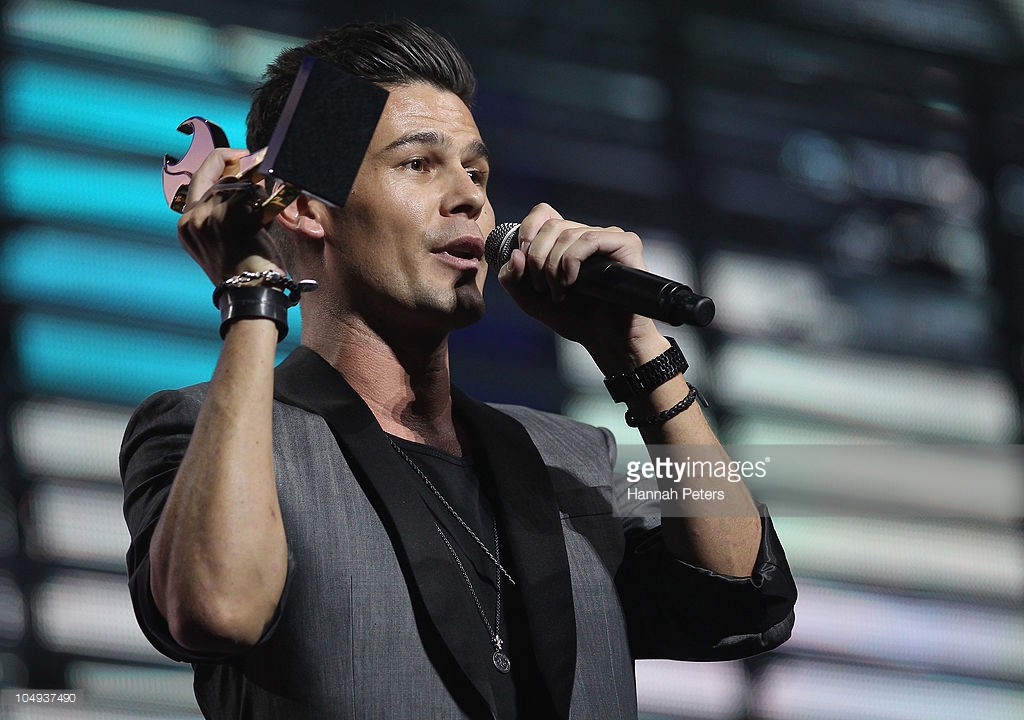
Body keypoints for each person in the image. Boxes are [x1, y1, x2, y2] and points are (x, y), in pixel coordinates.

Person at [120, 19, 796, 720]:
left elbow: (740, 596)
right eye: (419, 164)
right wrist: (253, 293)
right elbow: (217, 609)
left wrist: (639, 356)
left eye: (477, 172)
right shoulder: (207, 434)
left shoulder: (567, 457)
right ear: (305, 208)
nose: (470, 197)